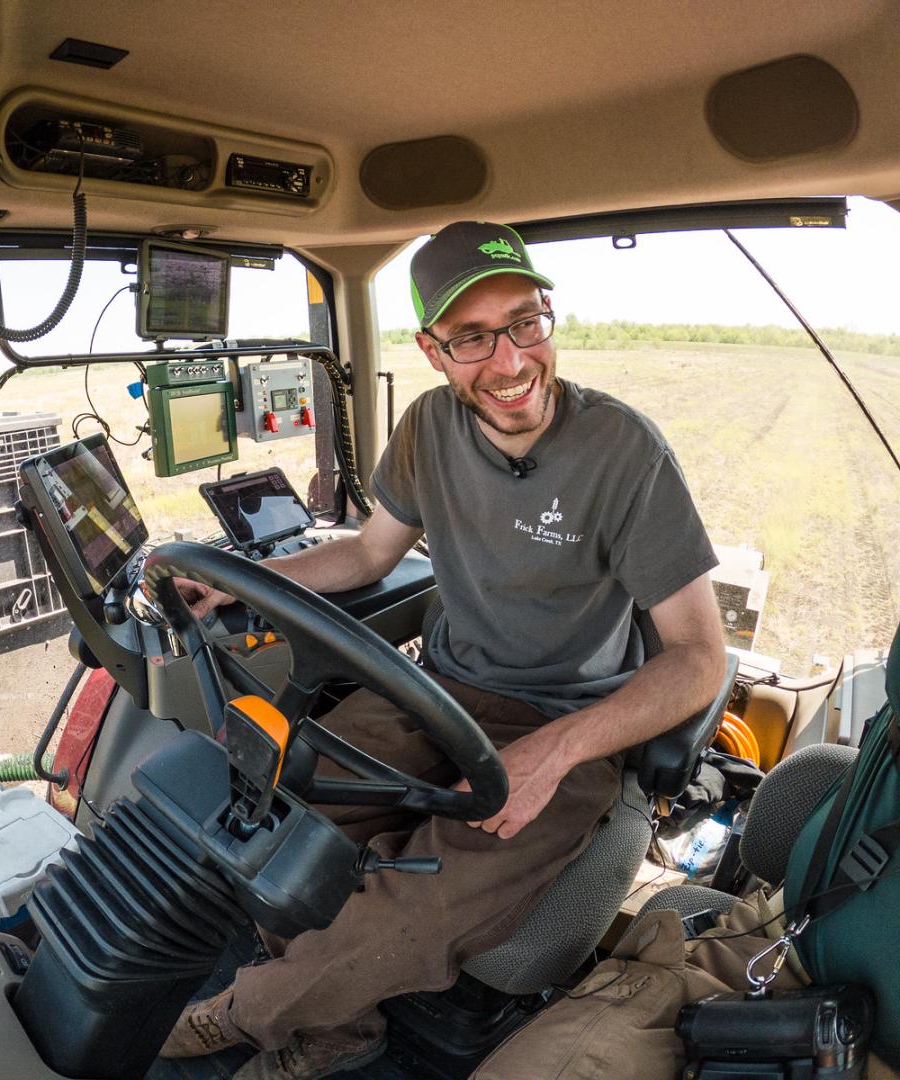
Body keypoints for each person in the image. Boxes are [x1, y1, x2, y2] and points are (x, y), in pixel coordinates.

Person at [161, 221, 729, 1080]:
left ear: (548, 318)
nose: (509, 363)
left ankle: (241, 1016)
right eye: (472, 337)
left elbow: (698, 658)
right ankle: (337, 1029)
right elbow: (365, 554)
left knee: (410, 911)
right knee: (271, 803)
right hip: (443, 693)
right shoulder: (428, 428)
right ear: (433, 350)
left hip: (570, 728)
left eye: (525, 323)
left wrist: (555, 752)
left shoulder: (626, 453)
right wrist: (242, 579)